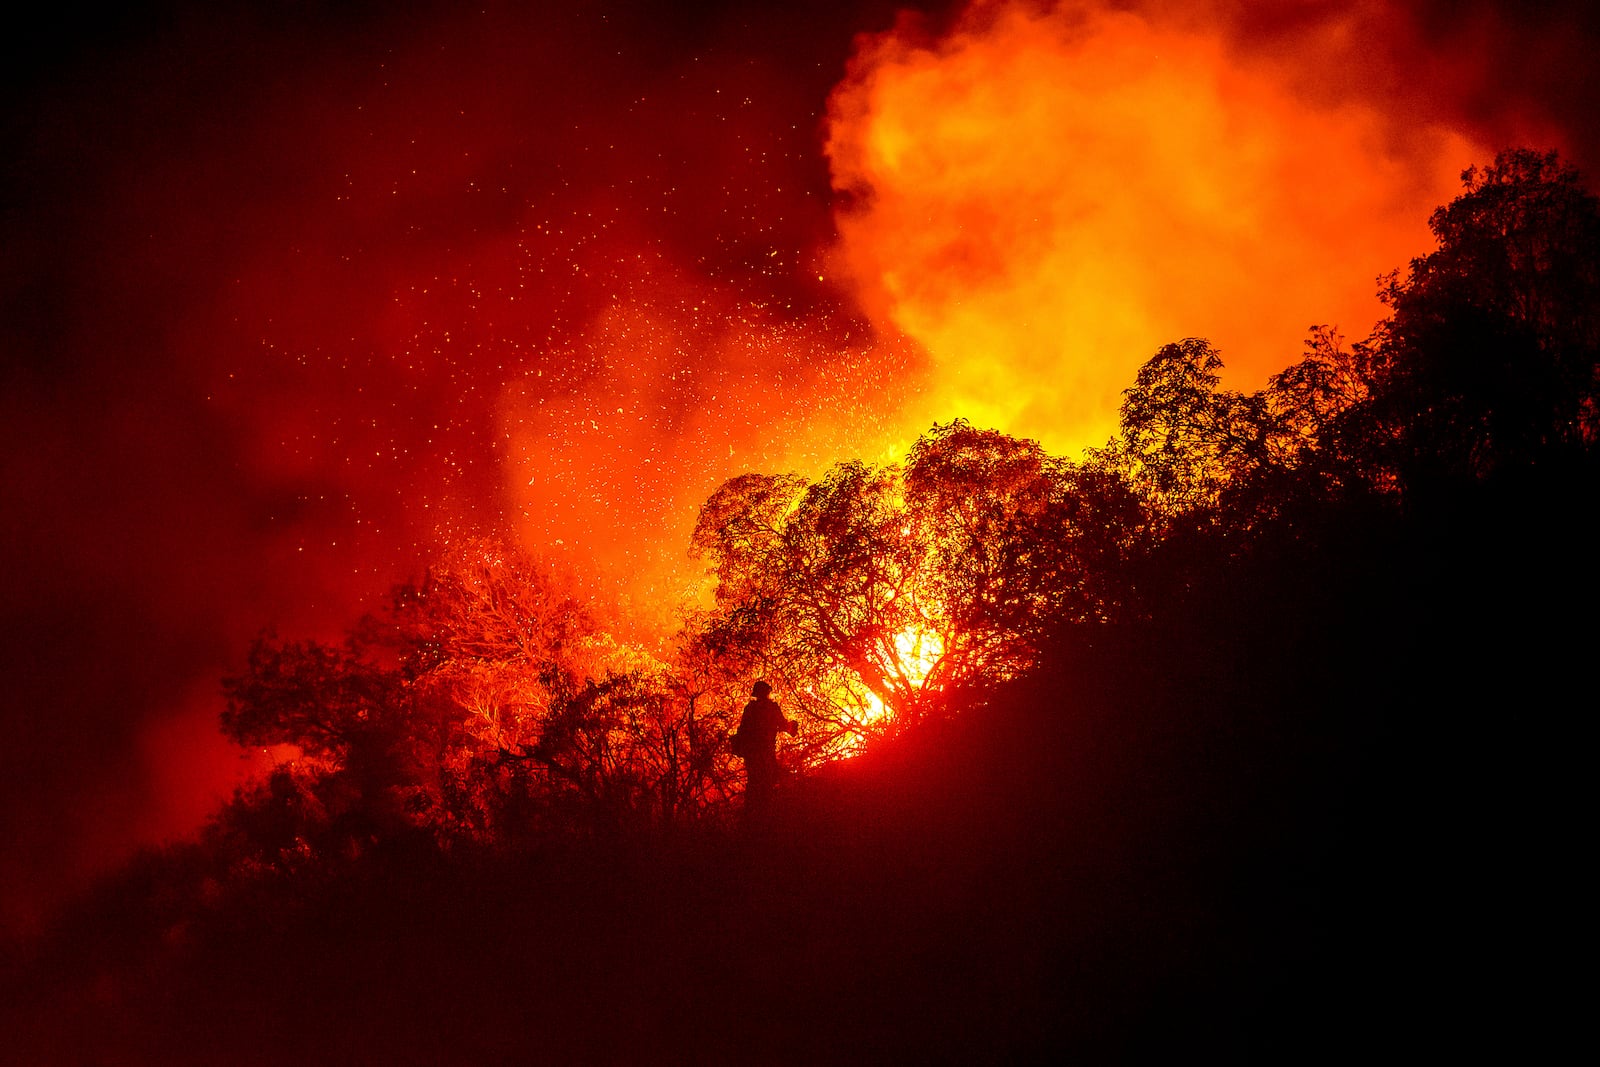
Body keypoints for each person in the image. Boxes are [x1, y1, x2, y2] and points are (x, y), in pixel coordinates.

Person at [735, 680, 797, 812]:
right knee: (767, 783)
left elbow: (742, 731)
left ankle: (752, 813)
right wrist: (793, 726)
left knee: (754, 783)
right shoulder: (771, 708)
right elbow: (784, 726)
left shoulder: (750, 709)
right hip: (766, 752)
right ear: (767, 692)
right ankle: (766, 814)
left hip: (752, 754)